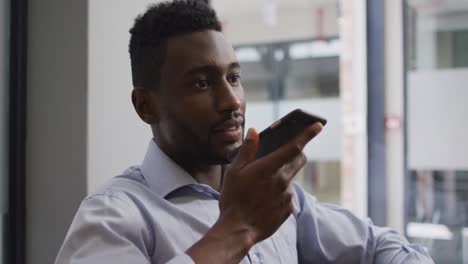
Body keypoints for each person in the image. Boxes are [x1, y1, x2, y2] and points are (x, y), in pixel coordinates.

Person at [55, 1, 434, 263]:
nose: (232, 101)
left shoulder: (274, 196)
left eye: (234, 77)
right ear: (145, 106)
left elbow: (384, 247)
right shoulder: (113, 217)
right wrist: (240, 226)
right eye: (202, 83)